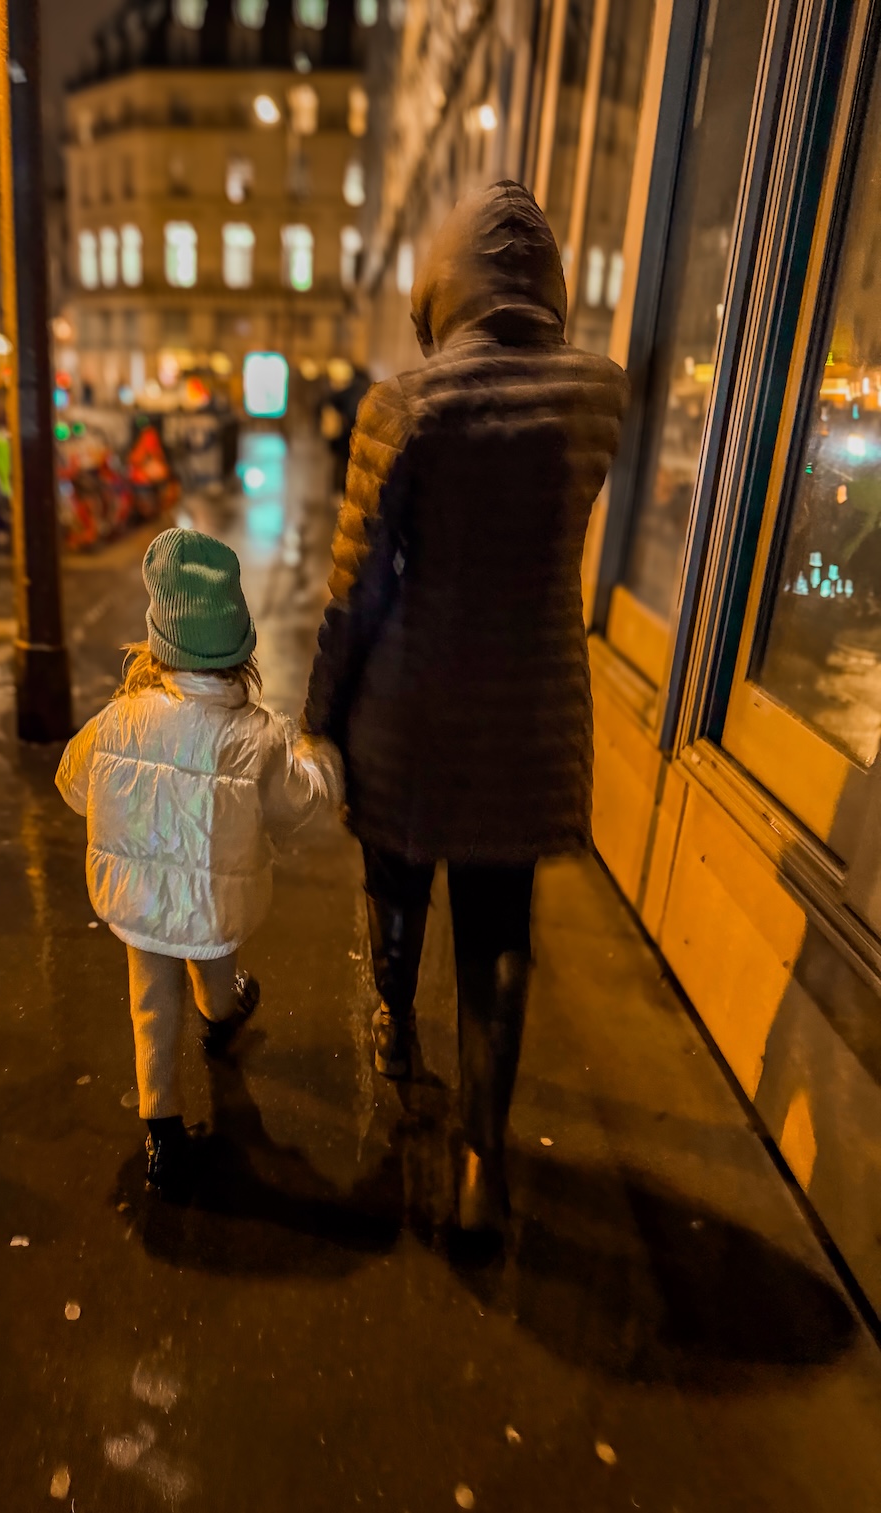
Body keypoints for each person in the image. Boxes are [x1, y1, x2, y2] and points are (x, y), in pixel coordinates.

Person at [303, 181, 627, 1235]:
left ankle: (396, 1025)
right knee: (500, 928)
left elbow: (357, 585)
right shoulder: (599, 399)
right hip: (529, 712)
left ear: (444, 284)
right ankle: (486, 1159)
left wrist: (321, 712)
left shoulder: (404, 408)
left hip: (412, 710)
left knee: (397, 885)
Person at [56, 526, 342, 1196]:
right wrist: (322, 763)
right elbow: (294, 805)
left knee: (152, 1002)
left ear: (158, 644)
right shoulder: (257, 736)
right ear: (240, 649)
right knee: (212, 949)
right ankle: (221, 1015)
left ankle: (162, 1129)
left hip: (138, 896)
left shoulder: (119, 720)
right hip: (215, 899)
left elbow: (73, 783)